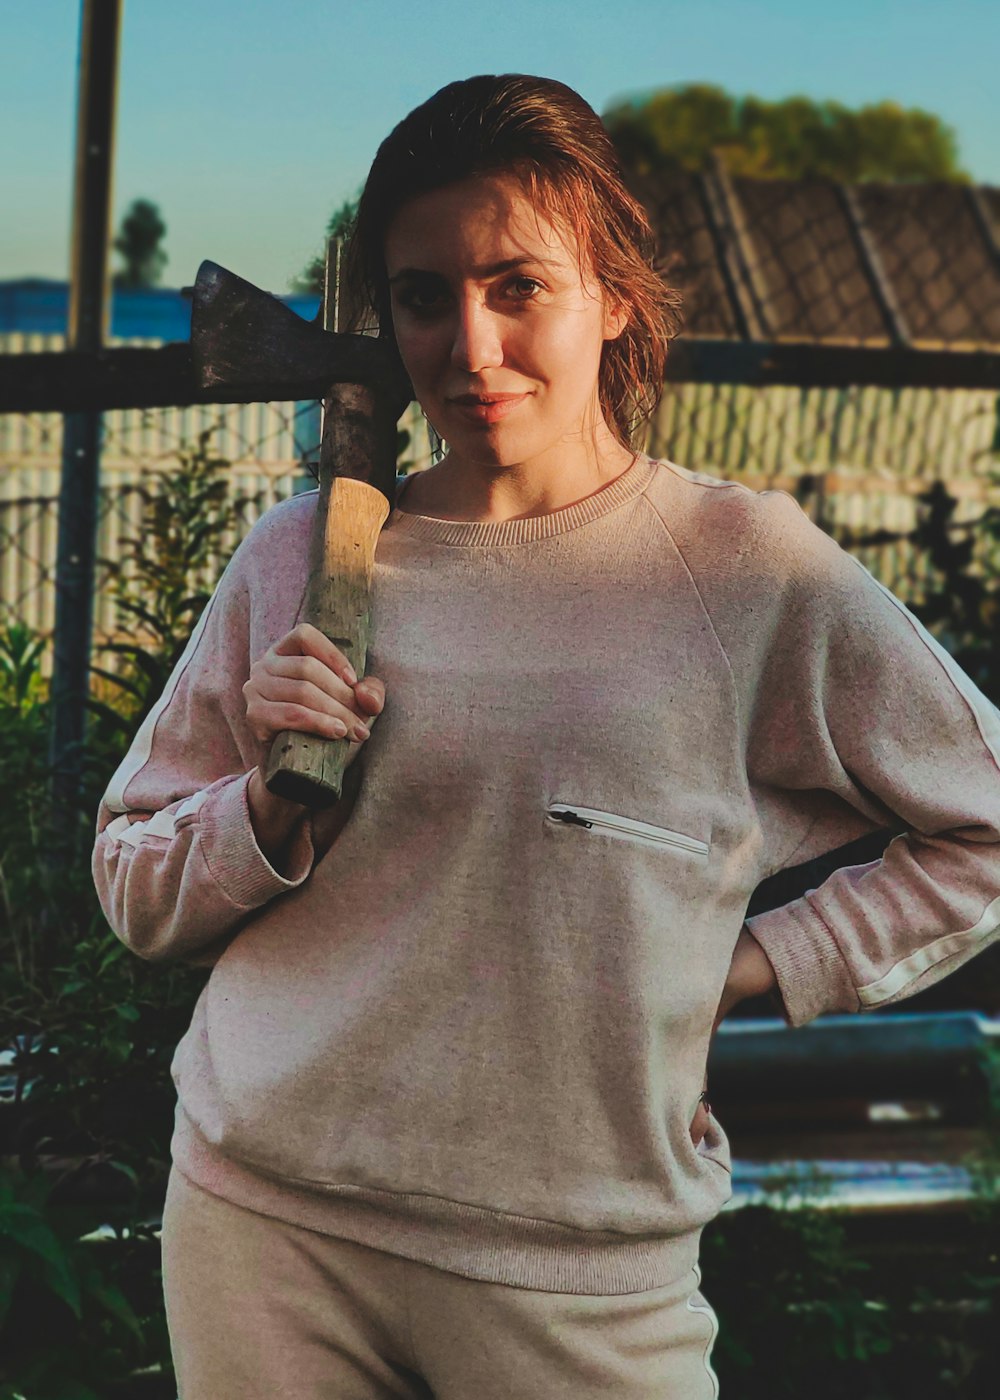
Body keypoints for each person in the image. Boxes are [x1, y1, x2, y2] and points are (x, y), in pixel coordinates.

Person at [92, 73, 1000, 1399]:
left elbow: (982, 821)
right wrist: (265, 812)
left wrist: (750, 966)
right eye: (422, 297)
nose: (469, 348)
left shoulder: (745, 570)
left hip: (581, 1267)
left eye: (519, 286)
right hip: (266, 1224)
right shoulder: (303, 558)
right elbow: (132, 881)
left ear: (613, 293)